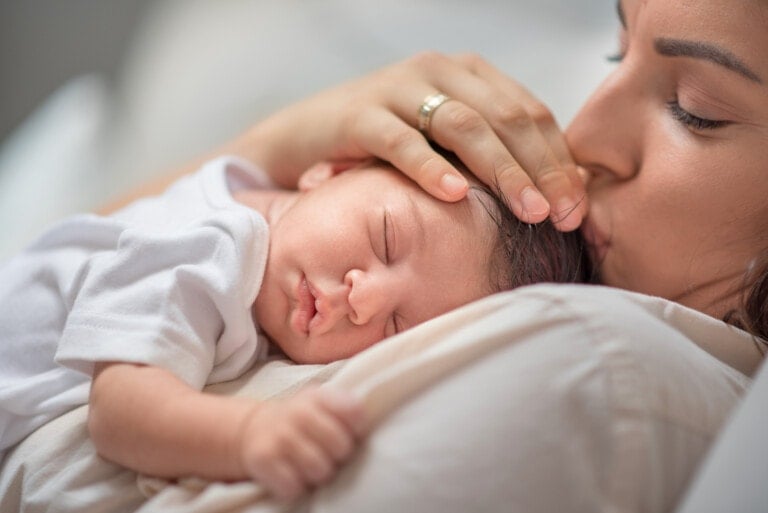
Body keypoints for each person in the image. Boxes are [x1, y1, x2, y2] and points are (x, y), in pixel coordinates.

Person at [95, 0, 765, 508]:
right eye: (617, 55)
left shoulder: (589, 363)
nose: (583, 133)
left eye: (693, 110)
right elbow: (70, 265)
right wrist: (280, 143)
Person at [0, 151, 587, 498]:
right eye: (385, 238)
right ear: (332, 169)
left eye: (396, 329)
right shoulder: (210, 244)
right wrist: (249, 435)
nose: (364, 299)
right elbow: (122, 411)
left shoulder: (255, 231)